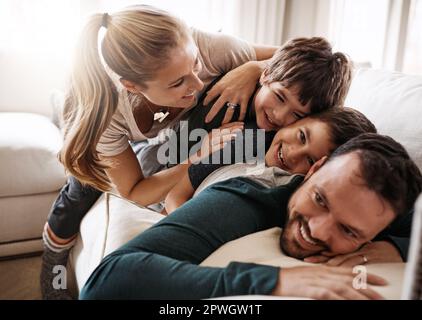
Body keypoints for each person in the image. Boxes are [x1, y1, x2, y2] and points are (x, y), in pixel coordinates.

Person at [41, 5, 353, 299]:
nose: (196, 84)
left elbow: (290, 59)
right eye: (179, 82)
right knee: (86, 178)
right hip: (104, 121)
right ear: (133, 85)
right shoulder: (106, 113)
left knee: (154, 147)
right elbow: (136, 191)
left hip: (166, 129)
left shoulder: (212, 50)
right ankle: (52, 250)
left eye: (196, 67)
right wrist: (198, 156)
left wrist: (249, 68)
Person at [79, 133, 422, 300]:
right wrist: (272, 281)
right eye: (319, 199)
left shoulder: (391, 208)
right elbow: (105, 282)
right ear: (315, 169)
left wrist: (398, 247)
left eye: (348, 230)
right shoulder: (241, 201)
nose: (316, 230)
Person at [165, 107, 376, 214]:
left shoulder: (290, 191)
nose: (293, 154)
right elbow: (176, 194)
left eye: (310, 160)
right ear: (294, 121)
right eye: (302, 136)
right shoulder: (243, 140)